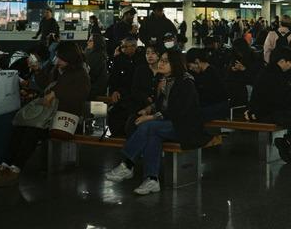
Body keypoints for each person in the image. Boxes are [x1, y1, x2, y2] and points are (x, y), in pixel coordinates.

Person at [0, 41, 91, 187]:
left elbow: (80, 96)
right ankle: (5, 165)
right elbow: (45, 85)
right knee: (20, 127)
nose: (57, 60)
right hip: (48, 115)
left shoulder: (80, 74)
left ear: (70, 58)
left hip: (64, 118)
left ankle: (15, 168)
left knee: (31, 131)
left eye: (61, 58)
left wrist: (55, 93)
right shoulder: (57, 69)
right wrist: (37, 70)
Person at [105, 50, 211, 195]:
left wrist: (152, 117)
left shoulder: (186, 82)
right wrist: (149, 109)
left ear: (175, 63)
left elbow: (179, 111)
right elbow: (162, 104)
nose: (161, 63)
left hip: (186, 127)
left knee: (148, 126)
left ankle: (127, 164)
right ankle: (152, 179)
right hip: (169, 124)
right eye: (161, 60)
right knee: (153, 136)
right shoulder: (165, 81)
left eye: (166, 61)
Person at [246, 47, 291, 166]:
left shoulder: (273, 72)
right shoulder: (272, 74)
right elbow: (279, 97)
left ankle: (289, 144)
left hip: (271, 110)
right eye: (289, 62)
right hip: (267, 112)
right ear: (281, 61)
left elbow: (282, 94)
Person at [186, 48, 229, 121]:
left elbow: (208, 96)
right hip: (211, 106)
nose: (190, 69)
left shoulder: (211, 73)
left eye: (190, 65)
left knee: (189, 115)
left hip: (217, 107)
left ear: (197, 61)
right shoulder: (204, 72)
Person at [85, 34, 109, 99]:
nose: (87, 42)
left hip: (93, 90)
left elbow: (90, 74)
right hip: (97, 89)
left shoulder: (95, 56)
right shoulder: (101, 54)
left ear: (97, 43)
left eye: (90, 41)